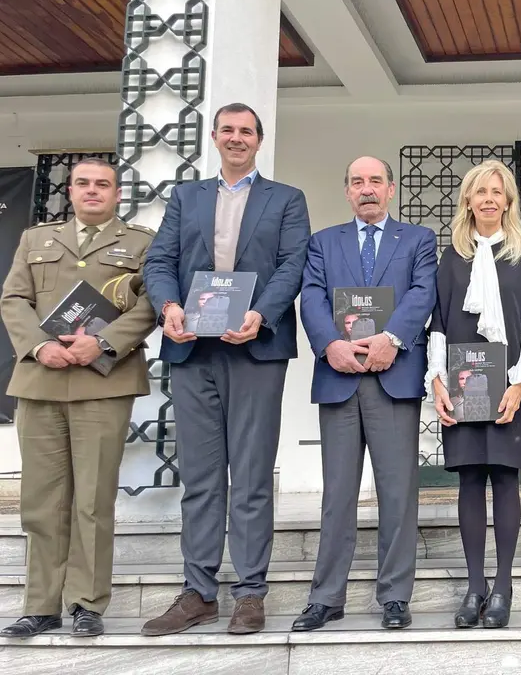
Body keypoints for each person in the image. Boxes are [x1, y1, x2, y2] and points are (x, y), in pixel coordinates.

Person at [140, 103, 311, 636]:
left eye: (247, 131)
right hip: (194, 350)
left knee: (253, 476)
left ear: (259, 140)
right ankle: (198, 592)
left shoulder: (286, 199)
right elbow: (159, 261)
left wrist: (260, 316)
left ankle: (251, 592)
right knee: (200, 476)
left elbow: (293, 265)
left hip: (255, 349)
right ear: (214, 138)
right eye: (228, 131)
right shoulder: (186, 196)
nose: (237, 139)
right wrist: (168, 307)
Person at [0, 159, 156, 639]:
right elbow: (14, 299)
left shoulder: (141, 243)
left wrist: (103, 342)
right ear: (70, 191)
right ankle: (41, 605)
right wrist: (40, 345)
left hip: (103, 382)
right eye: (84, 183)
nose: (93, 191)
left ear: (117, 193)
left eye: (103, 184)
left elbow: (151, 303)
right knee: (41, 500)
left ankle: (86, 602)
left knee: (92, 498)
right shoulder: (35, 239)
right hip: (41, 380)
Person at [292, 156, 438, 633]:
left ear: (391, 190)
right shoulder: (322, 242)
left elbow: (423, 293)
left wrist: (389, 339)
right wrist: (330, 344)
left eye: (376, 180)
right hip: (338, 374)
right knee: (337, 493)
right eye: (357, 181)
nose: (367, 189)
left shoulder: (417, 239)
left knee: (398, 492)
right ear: (348, 191)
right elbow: (310, 296)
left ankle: (395, 595)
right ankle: (326, 596)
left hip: (392, 375)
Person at [426, 160, 521, 629]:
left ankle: (503, 585)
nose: (489, 200)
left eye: (498, 192)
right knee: (469, 479)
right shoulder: (452, 256)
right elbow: (438, 322)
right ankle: (474, 584)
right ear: (468, 200)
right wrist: (436, 380)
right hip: (461, 384)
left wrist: (520, 380)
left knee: (504, 478)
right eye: (481, 192)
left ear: (509, 200)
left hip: (513, 383)